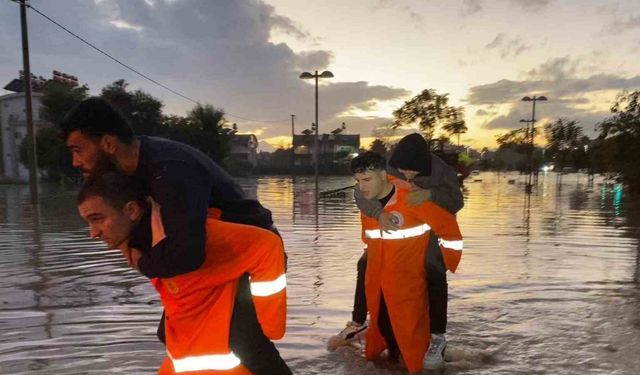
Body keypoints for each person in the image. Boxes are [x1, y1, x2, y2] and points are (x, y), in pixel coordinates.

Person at [61, 97, 290, 374]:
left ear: (108, 144)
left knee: (244, 339)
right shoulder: (129, 168)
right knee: (168, 333)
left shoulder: (169, 170)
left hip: (247, 254)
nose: (75, 161)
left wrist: (142, 261)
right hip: (207, 253)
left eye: (78, 150)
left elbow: (187, 254)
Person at [77, 171, 289, 374]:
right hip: (194, 340)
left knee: (249, 344)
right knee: (167, 334)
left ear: (132, 211)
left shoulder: (191, 236)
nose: (92, 233)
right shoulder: (139, 241)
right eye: (88, 222)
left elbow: (267, 245)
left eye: (97, 219)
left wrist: (271, 325)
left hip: (249, 277)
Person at [328, 133, 463, 370]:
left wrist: (430, 194)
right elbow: (361, 193)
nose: (408, 176)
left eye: (414, 172)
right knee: (365, 265)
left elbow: (456, 202)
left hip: (428, 226)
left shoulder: (442, 172)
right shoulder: (384, 169)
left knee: (434, 273)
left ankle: (437, 337)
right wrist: (379, 214)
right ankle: (359, 322)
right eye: (403, 171)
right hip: (389, 230)